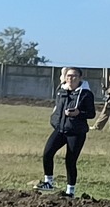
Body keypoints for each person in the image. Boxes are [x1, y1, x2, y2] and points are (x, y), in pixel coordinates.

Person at [36, 66, 96, 197]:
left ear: (80, 78)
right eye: (68, 76)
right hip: (60, 129)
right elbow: (57, 108)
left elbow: (92, 114)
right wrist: (54, 121)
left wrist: (79, 113)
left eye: (74, 76)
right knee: (47, 153)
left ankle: (70, 191)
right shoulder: (61, 91)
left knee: (70, 161)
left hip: (76, 132)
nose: (71, 78)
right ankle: (48, 182)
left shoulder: (86, 94)